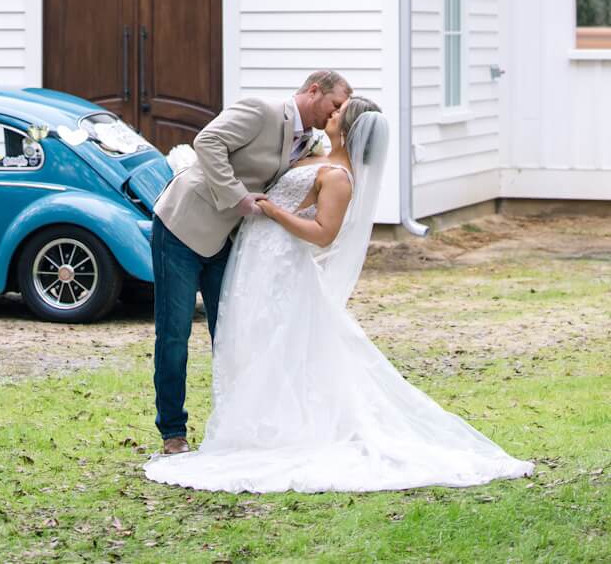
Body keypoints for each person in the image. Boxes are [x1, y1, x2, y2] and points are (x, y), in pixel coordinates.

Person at [145, 97, 534, 493]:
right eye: (331, 107)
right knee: (244, 342)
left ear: (346, 128)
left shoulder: (339, 176)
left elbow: (323, 234)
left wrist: (274, 213)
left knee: (266, 345)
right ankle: (233, 422)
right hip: (253, 258)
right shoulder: (312, 151)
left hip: (278, 265)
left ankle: (265, 426)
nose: (328, 116)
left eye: (336, 113)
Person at [150, 70, 352, 454]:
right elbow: (206, 141)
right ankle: (172, 431)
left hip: (229, 241)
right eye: (335, 105)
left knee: (231, 331)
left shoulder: (309, 141)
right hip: (183, 226)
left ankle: (235, 422)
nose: (335, 113)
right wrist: (238, 196)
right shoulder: (262, 110)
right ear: (314, 91)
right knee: (175, 333)